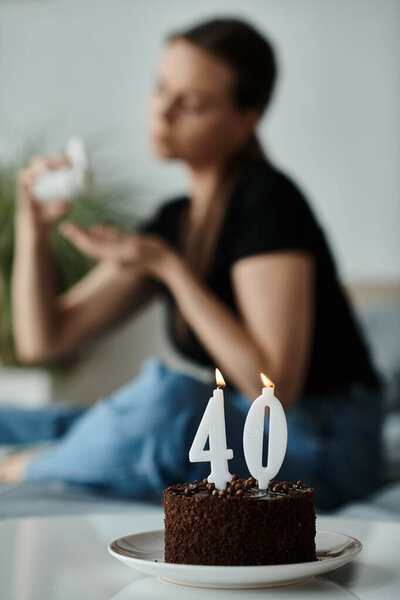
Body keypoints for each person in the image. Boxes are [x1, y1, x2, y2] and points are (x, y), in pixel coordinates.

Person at [0, 18, 382, 509]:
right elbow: (43, 340)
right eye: (160, 89)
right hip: (246, 423)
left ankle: (28, 467)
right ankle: (63, 449)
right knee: (43, 420)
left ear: (247, 119)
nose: (163, 111)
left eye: (193, 103)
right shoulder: (174, 222)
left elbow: (276, 388)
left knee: (172, 400)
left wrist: (171, 270)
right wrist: (32, 223)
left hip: (323, 436)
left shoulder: (268, 200)